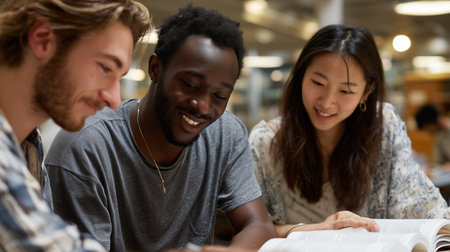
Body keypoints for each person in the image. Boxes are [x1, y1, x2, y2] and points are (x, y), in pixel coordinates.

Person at [249, 24, 450, 238]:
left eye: (345, 90)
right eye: (318, 82)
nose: (327, 102)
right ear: (300, 76)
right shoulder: (265, 142)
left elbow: (424, 209)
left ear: (367, 91)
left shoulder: (382, 126)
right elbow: (250, 231)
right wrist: (319, 230)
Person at [0, 0, 151, 251]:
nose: (114, 100)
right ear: (43, 39)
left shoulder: (27, 144)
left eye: (119, 78)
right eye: (105, 68)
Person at [415, 104, 450, 169]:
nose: (428, 132)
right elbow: (438, 162)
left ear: (437, 119)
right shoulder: (439, 136)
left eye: (427, 128)